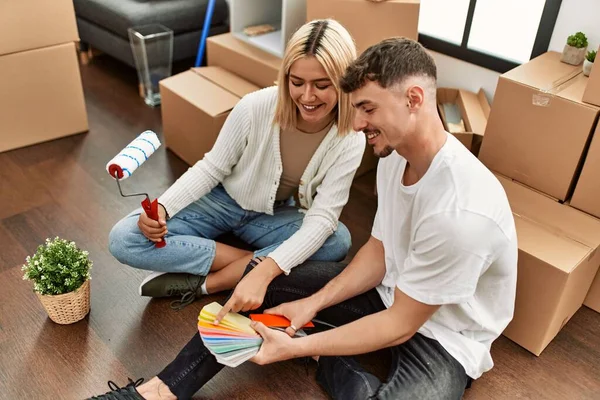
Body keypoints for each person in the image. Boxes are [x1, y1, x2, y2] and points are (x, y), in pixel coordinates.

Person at [89, 37, 518, 400]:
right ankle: (157, 392)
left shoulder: (460, 213)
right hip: (391, 295)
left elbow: (399, 326)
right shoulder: (394, 154)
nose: (357, 122)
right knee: (263, 282)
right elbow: (379, 251)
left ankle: (324, 356)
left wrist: (294, 347)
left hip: (445, 337)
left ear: (414, 99)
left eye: (367, 109)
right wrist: (309, 304)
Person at [107, 19, 364, 310]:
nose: (307, 97)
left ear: (344, 82)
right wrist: (164, 207)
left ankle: (212, 283)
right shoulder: (255, 107)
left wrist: (263, 271)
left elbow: (323, 219)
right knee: (124, 238)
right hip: (221, 201)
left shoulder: (351, 138)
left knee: (337, 240)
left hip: (274, 216)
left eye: (321, 85)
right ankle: (251, 261)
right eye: (296, 82)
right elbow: (211, 168)